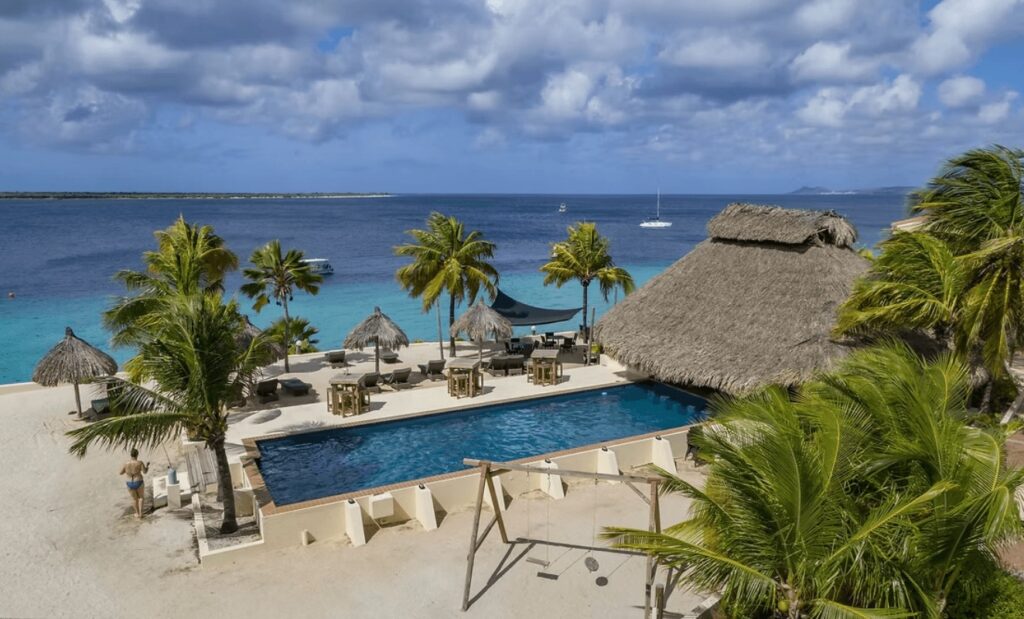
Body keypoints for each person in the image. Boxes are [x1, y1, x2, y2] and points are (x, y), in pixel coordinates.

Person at [120, 448, 149, 519]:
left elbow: (120, 473)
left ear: (131, 455)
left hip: (129, 483)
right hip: (138, 481)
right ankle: (141, 514)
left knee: (134, 499)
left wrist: (128, 471)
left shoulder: (126, 463)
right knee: (141, 498)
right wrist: (147, 466)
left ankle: (137, 513)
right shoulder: (140, 462)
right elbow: (145, 472)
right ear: (137, 455)